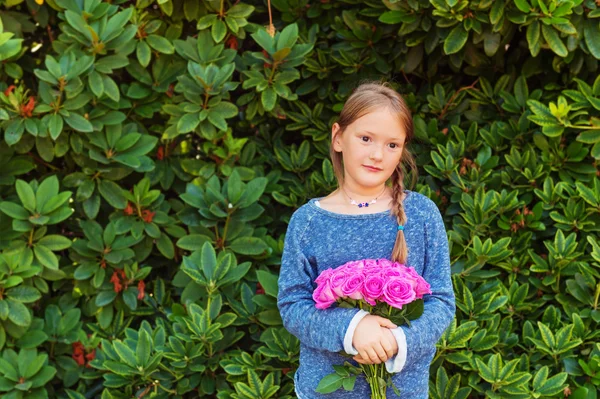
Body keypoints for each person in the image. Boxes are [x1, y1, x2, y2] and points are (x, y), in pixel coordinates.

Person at [276, 81, 456, 398]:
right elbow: (293, 306)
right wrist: (353, 327)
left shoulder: (422, 215)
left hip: (403, 391)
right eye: (365, 138)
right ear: (338, 137)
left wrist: (398, 340)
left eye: (392, 145)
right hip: (326, 392)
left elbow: (440, 301)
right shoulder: (308, 222)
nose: (377, 154)